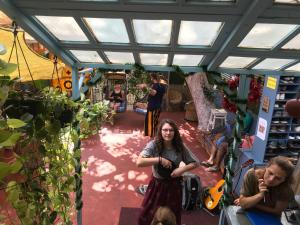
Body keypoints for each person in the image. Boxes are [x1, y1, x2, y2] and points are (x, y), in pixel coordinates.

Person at [136, 119, 199, 225]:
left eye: (171, 130)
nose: (168, 133)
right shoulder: (154, 144)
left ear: (175, 132)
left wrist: (181, 169)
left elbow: (195, 163)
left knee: (171, 216)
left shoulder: (179, 146)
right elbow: (139, 162)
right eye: (165, 130)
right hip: (157, 185)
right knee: (146, 215)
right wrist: (159, 159)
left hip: (174, 186)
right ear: (160, 131)